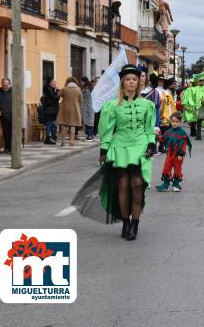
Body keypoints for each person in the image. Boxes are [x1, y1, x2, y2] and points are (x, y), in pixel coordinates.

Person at [98, 64, 157, 240]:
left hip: (139, 146)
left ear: (138, 82)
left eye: (134, 79)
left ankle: (135, 223)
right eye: (128, 79)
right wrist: (104, 148)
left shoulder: (148, 105)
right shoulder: (112, 106)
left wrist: (151, 143)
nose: (131, 82)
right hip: (120, 147)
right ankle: (125, 222)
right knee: (123, 186)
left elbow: (149, 129)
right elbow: (107, 130)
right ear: (123, 82)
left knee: (137, 184)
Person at [156, 112, 192, 192]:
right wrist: (158, 136)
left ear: (180, 122)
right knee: (166, 168)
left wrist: (181, 154)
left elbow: (183, 144)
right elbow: (164, 140)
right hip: (169, 154)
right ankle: (166, 184)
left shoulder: (182, 133)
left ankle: (176, 184)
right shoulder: (169, 131)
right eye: (172, 121)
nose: (174, 123)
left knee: (177, 169)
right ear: (170, 121)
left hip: (178, 156)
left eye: (177, 122)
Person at [56, 77, 82, 147]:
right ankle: (71, 141)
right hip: (75, 109)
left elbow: (58, 95)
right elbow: (80, 99)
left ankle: (63, 141)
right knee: (73, 125)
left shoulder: (65, 88)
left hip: (65, 108)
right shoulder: (78, 89)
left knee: (64, 124)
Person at [0, 78, 12, 153]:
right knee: (6, 132)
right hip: (3, 115)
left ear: (9, 84)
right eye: (3, 85)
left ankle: (13, 148)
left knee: (12, 132)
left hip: (12, 115)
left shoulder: (13, 91)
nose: (5, 87)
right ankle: (7, 148)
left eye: (6, 85)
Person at [41, 78, 60, 145]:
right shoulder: (49, 90)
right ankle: (48, 138)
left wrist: (56, 91)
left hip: (51, 110)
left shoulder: (50, 89)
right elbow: (55, 98)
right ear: (50, 83)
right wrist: (57, 91)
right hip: (49, 110)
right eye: (53, 82)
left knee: (52, 124)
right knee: (49, 123)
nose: (55, 83)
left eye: (55, 81)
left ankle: (52, 137)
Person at [81, 77, 95, 141]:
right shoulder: (91, 87)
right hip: (92, 107)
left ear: (83, 81)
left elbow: (81, 97)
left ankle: (89, 136)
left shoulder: (85, 89)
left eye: (81, 82)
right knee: (91, 121)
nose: (81, 83)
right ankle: (91, 135)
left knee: (87, 121)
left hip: (87, 107)